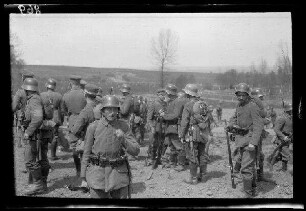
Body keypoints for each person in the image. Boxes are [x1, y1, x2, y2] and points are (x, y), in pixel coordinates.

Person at [80, 95, 140, 198]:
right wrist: (83, 177)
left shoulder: (123, 126)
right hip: (97, 174)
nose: (112, 112)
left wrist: (123, 139)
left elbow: (136, 150)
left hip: (118, 174)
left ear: (118, 111)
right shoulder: (93, 127)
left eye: (115, 109)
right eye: (108, 109)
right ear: (102, 111)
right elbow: (86, 153)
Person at [226, 83, 263, 198]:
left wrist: (253, 142)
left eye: (243, 95)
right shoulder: (239, 105)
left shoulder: (252, 106)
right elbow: (234, 117)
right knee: (249, 166)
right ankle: (253, 189)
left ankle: (248, 194)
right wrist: (231, 125)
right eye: (239, 95)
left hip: (249, 139)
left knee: (246, 168)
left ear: (248, 95)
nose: (241, 97)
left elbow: (258, 125)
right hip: (241, 139)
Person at [21, 78, 50, 195]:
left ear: (27, 89)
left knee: (29, 161)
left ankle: (38, 185)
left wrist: (28, 131)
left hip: (35, 134)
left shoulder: (34, 100)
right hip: (40, 133)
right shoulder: (37, 98)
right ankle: (42, 184)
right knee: (42, 159)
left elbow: (37, 118)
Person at [69, 84, 99, 177]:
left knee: (86, 162)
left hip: (88, 142)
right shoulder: (100, 108)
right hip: (100, 141)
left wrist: (81, 135)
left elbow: (75, 130)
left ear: (85, 95)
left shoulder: (85, 111)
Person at [179, 84, 207, 185]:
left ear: (188, 94)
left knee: (192, 154)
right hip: (203, 132)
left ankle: (193, 178)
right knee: (202, 154)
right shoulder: (203, 103)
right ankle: (203, 176)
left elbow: (184, 121)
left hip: (192, 133)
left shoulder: (188, 104)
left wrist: (181, 134)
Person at [61, 75, 87, 176]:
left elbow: (64, 111)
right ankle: (85, 170)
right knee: (86, 145)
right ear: (79, 83)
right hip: (84, 121)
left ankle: (78, 170)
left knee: (74, 147)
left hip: (72, 121)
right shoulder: (84, 94)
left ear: (71, 83)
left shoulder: (66, 95)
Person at [159, 84, 187, 171]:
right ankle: (173, 163)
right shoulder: (171, 102)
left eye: (166, 93)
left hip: (174, 126)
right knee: (172, 147)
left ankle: (181, 164)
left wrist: (164, 115)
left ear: (169, 93)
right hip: (170, 127)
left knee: (178, 146)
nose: (166, 94)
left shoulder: (177, 102)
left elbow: (175, 115)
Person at [40, 78, 63, 161]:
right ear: (54, 87)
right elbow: (62, 110)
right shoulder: (59, 96)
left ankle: (43, 156)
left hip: (45, 118)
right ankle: (53, 155)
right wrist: (61, 120)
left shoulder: (41, 95)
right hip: (55, 118)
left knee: (43, 137)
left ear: (47, 86)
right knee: (55, 136)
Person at [12, 71, 35, 148]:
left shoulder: (20, 92)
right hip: (34, 116)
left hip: (23, 115)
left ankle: (20, 144)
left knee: (20, 128)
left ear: (23, 79)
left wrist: (17, 108)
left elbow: (14, 107)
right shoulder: (37, 93)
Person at [146, 88, 167, 168]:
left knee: (161, 143)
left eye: (164, 95)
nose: (163, 97)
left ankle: (159, 158)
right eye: (161, 95)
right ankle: (151, 158)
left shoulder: (165, 104)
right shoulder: (153, 104)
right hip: (155, 125)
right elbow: (149, 118)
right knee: (153, 143)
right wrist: (152, 127)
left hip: (163, 126)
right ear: (158, 95)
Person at [270, 102, 292, 172]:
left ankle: (273, 165)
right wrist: (283, 137)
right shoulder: (282, 118)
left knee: (281, 153)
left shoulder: (289, 117)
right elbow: (276, 129)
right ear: (288, 110)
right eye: (290, 110)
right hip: (282, 139)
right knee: (285, 153)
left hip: (288, 138)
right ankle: (283, 170)